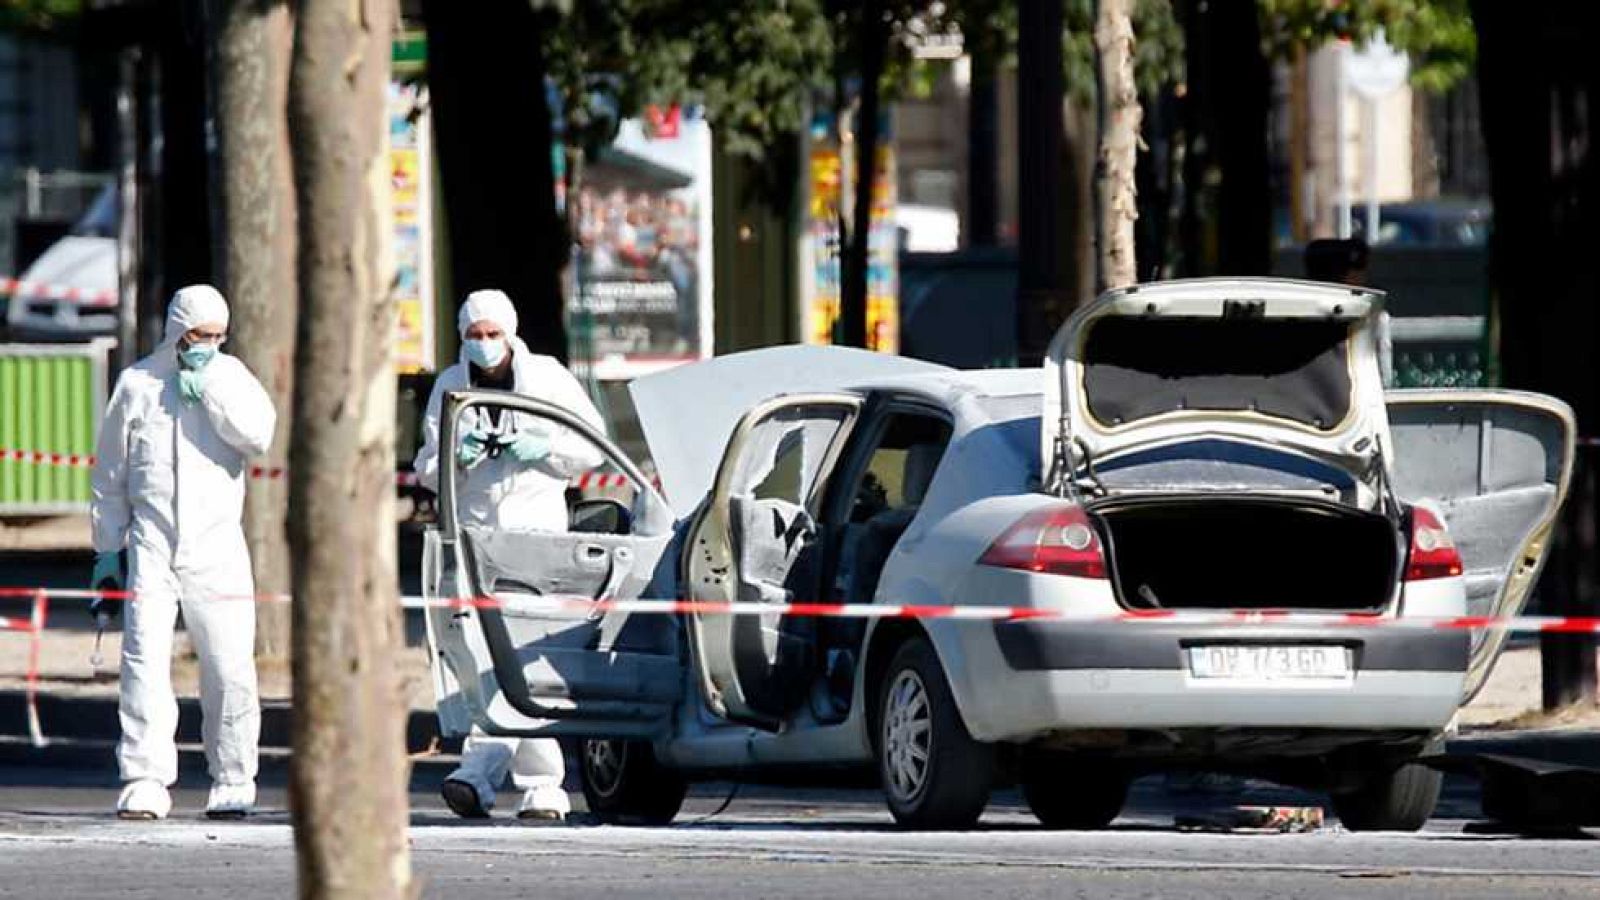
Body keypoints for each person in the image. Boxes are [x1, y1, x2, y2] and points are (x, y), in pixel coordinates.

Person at [413, 289, 607, 820]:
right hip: (474, 535)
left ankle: (538, 783)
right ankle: (479, 776)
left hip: (534, 535)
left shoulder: (546, 378)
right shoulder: (451, 386)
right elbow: (427, 466)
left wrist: (545, 452)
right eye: (473, 336)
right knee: (477, 656)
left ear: (511, 331)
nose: (483, 344)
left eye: (492, 333)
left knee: (532, 656)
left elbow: (593, 446)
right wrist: (459, 456)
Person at [89, 284, 276, 820]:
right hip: (152, 542)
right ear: (176, 331)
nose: (208, 345)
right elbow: (110, 476)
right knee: (143, 661)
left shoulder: (232, 377)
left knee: (228, 665)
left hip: (217, 544)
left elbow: (259, 436)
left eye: (218, 336)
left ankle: (234, 777)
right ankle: (145, 777)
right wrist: (106, 549)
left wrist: (210, 392)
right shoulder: (137, 385)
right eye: (198, 336)